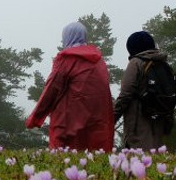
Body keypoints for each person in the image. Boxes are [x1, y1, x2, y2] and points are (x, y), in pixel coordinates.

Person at [27, 21, 114, 151]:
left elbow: (51, 90)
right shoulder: (99, 61)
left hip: (69, 126)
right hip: (97, 126)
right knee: (92, 165)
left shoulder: (66, 59)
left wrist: (35, 118)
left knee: (65, 165)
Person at [113, 30, 171, 150]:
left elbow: (125, 94)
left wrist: (111, 118)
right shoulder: (163, 64)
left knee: (139, 159)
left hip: (139, 122)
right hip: (160, 120)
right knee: (156, 155)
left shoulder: (136, 63)